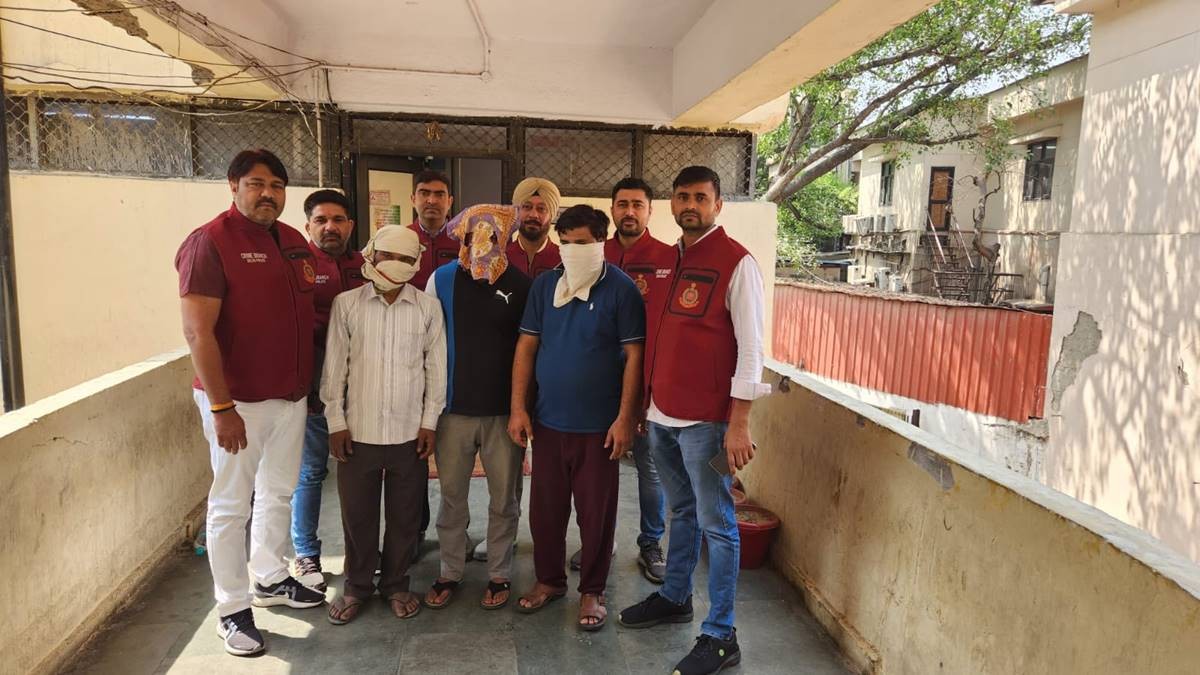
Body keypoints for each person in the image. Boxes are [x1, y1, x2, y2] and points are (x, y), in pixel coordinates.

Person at [618, 166, 771, 675]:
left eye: (701, 198)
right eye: (682, 197)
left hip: (709, 424)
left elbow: (752, 350)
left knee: (718, 524)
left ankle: (722, 634)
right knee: (681, 511)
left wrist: (739, 423)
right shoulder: (669, 261)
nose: (690, 205)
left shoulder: (736, 263)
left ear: (718, 205)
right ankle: (675, 596)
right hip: (662, 416)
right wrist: (645, 406)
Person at [175, 149, 324, 657]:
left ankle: (269, 577)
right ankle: (232, 608)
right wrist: (221, 408)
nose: (268, 194)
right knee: (231, 506)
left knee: (278, 492)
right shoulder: (210, 242)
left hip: (289, 399)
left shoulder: (293, 241)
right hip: (237, 403)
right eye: (257, 184)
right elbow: (197, 332)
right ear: (233, 186)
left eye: (277, 186)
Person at [509, 205, 645, 632]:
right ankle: (549, 581)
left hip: (599, 428)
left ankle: (592, 590)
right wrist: (518, 407)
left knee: (596, 515)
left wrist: (625, 418)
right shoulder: (545, 286)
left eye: (581, 243)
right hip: (549, 422)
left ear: (601, 242)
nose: (571, 250)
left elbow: (634, 357)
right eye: (565, 243)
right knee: (545, 513)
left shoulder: (621, 290)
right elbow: (527, 346)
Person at [321, 225, 447, 625]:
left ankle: (396, 583)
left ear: (416, 264)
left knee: (405, 517)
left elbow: (436, 369)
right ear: (370, 255)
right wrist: (335, 422)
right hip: (356, 432)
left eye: (404, 259)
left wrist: (429, 422)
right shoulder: (346, 304)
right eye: (385, 256)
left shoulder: (427, 308)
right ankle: (357, 585)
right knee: (357, 516)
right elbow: (335, 368)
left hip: (410, 433)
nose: (392, 264)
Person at [422, 204, 532, 611]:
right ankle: (450, 571)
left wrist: (523, 409)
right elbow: (427, 343)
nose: (482, 242)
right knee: (452, 497)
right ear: (462, 236)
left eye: (492, 235)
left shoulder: (522, 285)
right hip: (452, 411)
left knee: (504, 499)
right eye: (473, 235)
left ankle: (499, 573)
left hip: (504, 414)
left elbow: (529, 349)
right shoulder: (441, 279)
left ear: (505, 237)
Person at [290, 189, 365, 592]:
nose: (330, 227)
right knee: (311, 472)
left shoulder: (366, 266)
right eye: (321, 220)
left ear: (350, 225)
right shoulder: (297, 267)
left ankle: (362, 554)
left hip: (362, 393)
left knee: (362, 474)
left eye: (338, 220)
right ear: (309, 226)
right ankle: (306, 554)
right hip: (313, 391)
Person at [602, 176, 675, 584]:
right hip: (598, 383)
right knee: (600, 468)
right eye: (622, 204)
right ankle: (601, 540)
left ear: (649, 211)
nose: (629, 212)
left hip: (647, 386)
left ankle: (651, 543)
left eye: (637, 205)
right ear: (612, 209)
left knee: (649, 467)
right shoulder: (595, 253)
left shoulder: (669, 259)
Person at [406, 169, 458, 551]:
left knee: (456, 455)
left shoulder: (464, 242)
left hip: (453, 363)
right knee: (412, 455)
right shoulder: (399, 241)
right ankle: (414, 530)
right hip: (407, 361)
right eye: (424, 193)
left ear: (450, 201)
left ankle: (456, 530)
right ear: (413, 199)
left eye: (439, 194)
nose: (432, 200)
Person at [505, 177, 562, 277]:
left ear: (552, 215)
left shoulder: (563, 261)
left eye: (541, 209)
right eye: (527, 207)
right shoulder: (501, 259)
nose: (533, 215)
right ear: (516, 212)